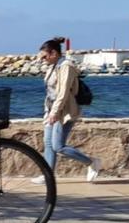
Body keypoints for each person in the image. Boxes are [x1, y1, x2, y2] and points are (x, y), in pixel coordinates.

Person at [34, 36, 101, 184]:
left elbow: (63, 92)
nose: (43, 60)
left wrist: (55, 112)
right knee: (48, 143)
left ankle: (91, 162)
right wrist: (49, 111)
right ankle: (47, 175)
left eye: (45, 56)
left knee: (58, 146)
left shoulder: (66, 67)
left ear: (54, 53)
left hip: (63, 111)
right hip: (51, 110)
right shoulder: (53, 66)